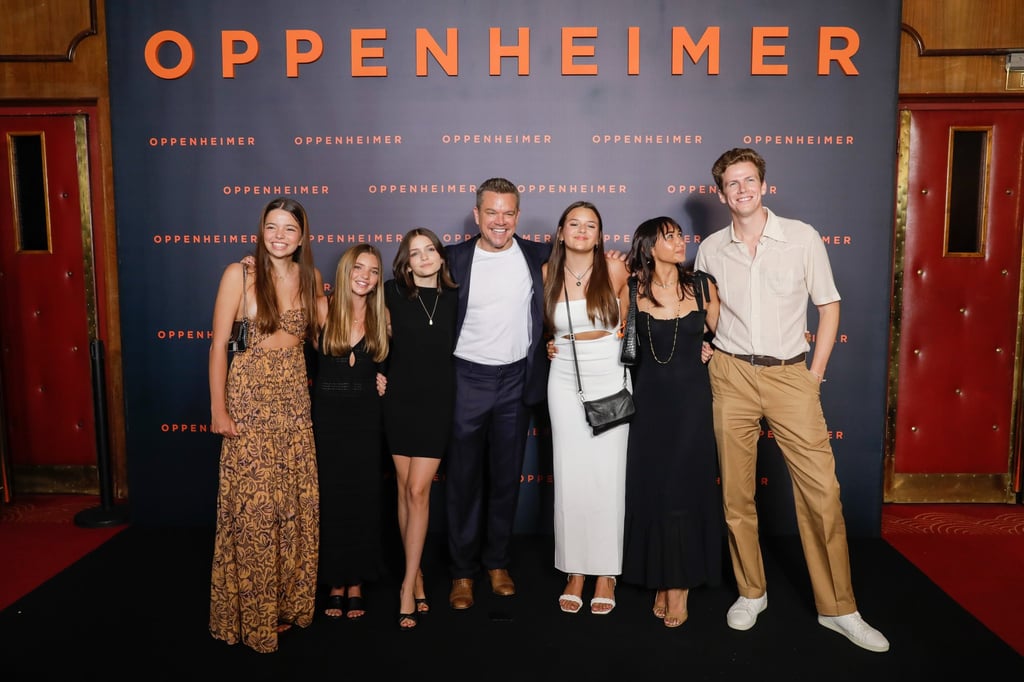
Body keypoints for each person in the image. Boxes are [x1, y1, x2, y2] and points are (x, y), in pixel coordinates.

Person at [694, 147, 890, 652]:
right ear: (721, 194)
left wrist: (815, 374)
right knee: (737, 496)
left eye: (749, 179)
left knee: (822, 494)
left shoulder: (802, 237)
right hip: (732, 376)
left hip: (790, 377)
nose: (742, 189)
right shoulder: (711, 248)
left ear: (764, 185)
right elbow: (710, 312)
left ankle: (839, 608)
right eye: (732, 183)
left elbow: (829, 305)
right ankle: (750, 592)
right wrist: (708, 346)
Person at [208, 196, 323, 653]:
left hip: (294, 402)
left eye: (289, 229)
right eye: (272, 227)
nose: (279, 236)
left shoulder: (311, 279)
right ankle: (251, 613)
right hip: (250, 400)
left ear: (302, 236)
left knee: (292, 507)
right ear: (261, 230)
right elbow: (218, 346)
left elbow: (334, 336)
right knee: (254, 513)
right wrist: (219, 410)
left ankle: (285, 605)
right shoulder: (239, 274)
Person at [444, 177, 551, 610]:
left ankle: (497, 563)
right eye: (492, 212)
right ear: (477, 215)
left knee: (506, 479)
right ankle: (462, 572)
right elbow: (403, 290)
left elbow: (590, 269)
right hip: (466, 378)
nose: (500, 221)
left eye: (508, 213)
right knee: (464, 481)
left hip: (515, 382)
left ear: (518, 216)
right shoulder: (453, 258)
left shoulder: (537, 255)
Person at [617, 216, 723, 628]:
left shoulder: (701, 285)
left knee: (684, 488)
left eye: (681, 235)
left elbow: (728, 333)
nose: (680, 242)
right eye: (669, 237)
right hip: (648, 407)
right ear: (648, 246)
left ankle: (678, 586)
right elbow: (597, 325)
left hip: (692, 405)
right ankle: (662, 575)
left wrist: (710, 347)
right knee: (656, 489)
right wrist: (557, 343)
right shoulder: (630, 289)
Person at [542, 201, 630, 615]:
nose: (581, 230)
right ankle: (575, 569)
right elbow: (550, 329)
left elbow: (630, 324)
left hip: (609, 375)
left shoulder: (615, 269)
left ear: (599, 234)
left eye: (590, 225)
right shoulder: (547, 273)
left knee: (607, 476)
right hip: (563, 378)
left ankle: (606, 572)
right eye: (573, 224)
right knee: (571, 475)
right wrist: (552, 345)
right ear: (560, 232)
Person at [383, 228, 458, 629]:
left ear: (441, 257)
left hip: (437, 405)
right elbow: (361, 326)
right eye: (415, 253)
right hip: (399, 403)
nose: (424, 257)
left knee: (417, 490)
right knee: (402, 490)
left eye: (430, 249)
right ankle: (419, 577)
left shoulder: (456, 297)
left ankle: (406, 584)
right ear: (406, 262)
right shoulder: (392, 293)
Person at [312, 244, 389, 622]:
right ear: (345, 271)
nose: (366, 276)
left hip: (366, 420)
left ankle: (356, 582)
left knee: (363, 498)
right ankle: (334, 582)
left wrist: (385, 379)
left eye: (374, 271)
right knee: (331, 499)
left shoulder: (382, 316)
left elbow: (394, 365)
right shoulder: (321, 309)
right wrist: (250, 268)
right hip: (327, 420)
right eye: (359, 268)